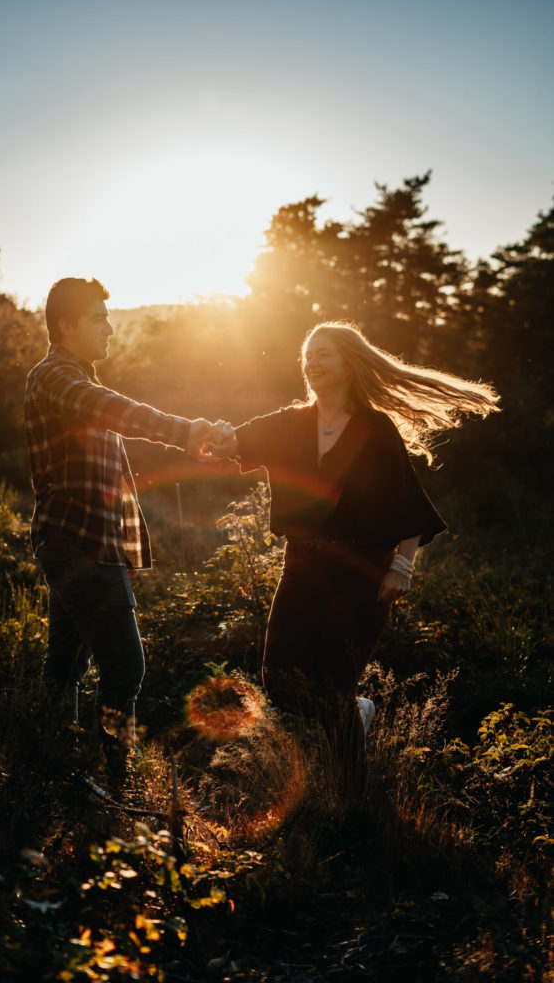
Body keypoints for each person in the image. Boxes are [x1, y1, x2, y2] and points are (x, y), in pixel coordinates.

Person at [210, 320, 500, 772]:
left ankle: (352, 800)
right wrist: (201, 433)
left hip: (362, 569)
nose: (312, 362)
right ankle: (359, 714)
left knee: (333, 687)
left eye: (324, 353)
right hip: (302, 566)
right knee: (282, 682)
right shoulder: (287, 423)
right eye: (308, 355)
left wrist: (401, 567)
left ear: (349, 362)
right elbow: (232, 440)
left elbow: (410, 506)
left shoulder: (375, 429)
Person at [24, 277, 222, 780]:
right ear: (66, 325)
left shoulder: (74, 379)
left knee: (66, 665)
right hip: (79, 548)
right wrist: (184, 432)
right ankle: (118, 775)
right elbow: (116, 410)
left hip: (84, 546)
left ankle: (55, 763)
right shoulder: (55, 377)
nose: (109, 328)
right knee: (126, 668)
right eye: (97, 318)